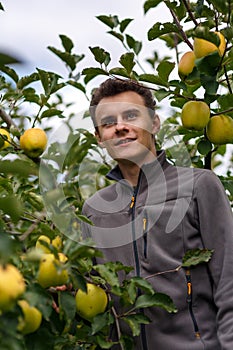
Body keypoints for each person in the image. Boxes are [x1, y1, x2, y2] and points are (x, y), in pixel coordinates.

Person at [81, 77, 233, 349]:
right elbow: (93, 294)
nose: (120, 127)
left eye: (131, 115)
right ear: (99, 138)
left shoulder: (199, 185)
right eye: (108, 122)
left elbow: (229, 282)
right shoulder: (93, 210)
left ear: (154, 123)